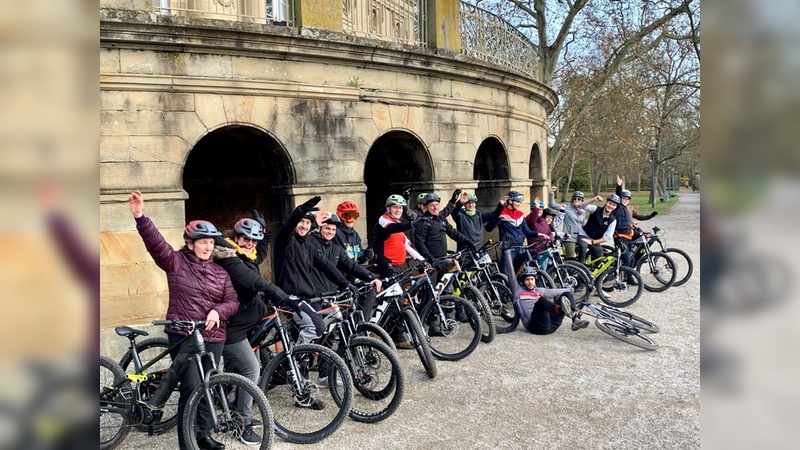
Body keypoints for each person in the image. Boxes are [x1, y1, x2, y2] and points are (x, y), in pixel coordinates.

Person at [128, 191, 238, 450]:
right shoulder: (175, 262)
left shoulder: (221, 272)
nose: (207, 246)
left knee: (208, 387)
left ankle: (204, 436)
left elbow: (232, 301)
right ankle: (188, 444)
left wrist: (217, 312)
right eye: (202, 242)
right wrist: (140, 217)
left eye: (210, 242)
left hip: (213, 337)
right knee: (191, 389)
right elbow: (156, 244)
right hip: (184, 335)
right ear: (190, 243)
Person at [211, 215, 295, 445]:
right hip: (231, 328)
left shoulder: (247, 253)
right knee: (251, 370)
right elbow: (252, 281)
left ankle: (233, 407)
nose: (250, 243)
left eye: (254, 240)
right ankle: (242, 424)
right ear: (236, 238)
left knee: (242, 369)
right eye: (246, 239)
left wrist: (265, 232)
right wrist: (281, 295)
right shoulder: (230, 259)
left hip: (244, 324)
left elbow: (261, 252)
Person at [272, 196, 359, 346]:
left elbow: (327, 265)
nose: (304, 226)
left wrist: (345, 283)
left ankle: (314, 361)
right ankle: (293, 359)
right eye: (301, 221)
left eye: (307, 222)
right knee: (315, 327)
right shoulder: (285, 241)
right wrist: (300, 211)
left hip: (308, 299)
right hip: (290, 298)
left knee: (324, 329)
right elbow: (287, 226)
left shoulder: (308, 245)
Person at [373, 194, 429, 348]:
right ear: (388, 208)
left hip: (397, 267)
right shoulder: (384, 220)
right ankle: (376, 330)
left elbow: (408, 246)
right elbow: (391, 228)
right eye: (395, 207)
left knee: (401, 301)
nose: (398, 210)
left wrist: (423, 260)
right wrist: (412, 224)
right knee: (394, 300)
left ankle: (398, 337)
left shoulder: (398, 224)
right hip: (387, 265)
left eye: (400, 208)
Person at [310, 212, 382, 318]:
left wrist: (371, 277)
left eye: (333, 230)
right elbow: (295, 236)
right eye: (327, 228)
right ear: (319, 228)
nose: (330, 232)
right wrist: (313, 224)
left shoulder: (336, 249)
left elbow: (351, 266)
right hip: (315, 296)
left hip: (333, 295)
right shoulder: (310, 242)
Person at [501, 249, 589, 333]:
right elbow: (511, 273)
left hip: (551, 324)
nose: (530, 282)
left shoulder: (539, 290)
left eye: (532, 279)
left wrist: (572, 289)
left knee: (567, 294)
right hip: (535, 326)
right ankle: (561, 310)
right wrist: (507, 251)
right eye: (527, 280)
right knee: (541, 301)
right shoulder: (517, 290)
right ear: (523, 282)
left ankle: (575, 319)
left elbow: (556, 291)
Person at [484, 191, 550, 275]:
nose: (519, 204)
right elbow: (488, 228)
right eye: (517, 202)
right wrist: (499, 219)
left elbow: (527, 231)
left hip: (521, 248)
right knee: (506, 275)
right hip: (508, 250)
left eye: (520, 202)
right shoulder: (501, 213)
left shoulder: (520, 214)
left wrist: (538, 234)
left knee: (525, 272)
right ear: (510, 201)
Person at [412, 192, 478, 264]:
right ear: (426, 207)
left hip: (443, 258)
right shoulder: (422, 222)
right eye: (432, 205)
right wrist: (432, 260)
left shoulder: (441, 218)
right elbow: (419, 243)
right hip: (430, 262)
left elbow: (453, 233)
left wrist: (468, 242)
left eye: (437, 204)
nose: (435, 208)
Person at [614, 176, 658, 267]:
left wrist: (650, 216)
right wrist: (619, 185)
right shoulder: (617, 207)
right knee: (627, 255)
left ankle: (637, 253)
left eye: (627, 199)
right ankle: (632, 259)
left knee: (646, 236)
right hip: (622, 233)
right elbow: (617, 195)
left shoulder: (630, 208)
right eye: (623, 198)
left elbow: (639, 216)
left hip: (630, 231)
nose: (625, 200)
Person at [559, 190, 603, 259]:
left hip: (579, 236)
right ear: (572, 199)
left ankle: (581, 267)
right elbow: (552, 204)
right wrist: (551, 193)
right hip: (569, 237)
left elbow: (583, 223)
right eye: (575, 198)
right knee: (570, 257)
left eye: (579, 199)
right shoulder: (567, 207)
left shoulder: (583, 211)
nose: (577, 200)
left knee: (582, 254)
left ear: (582, 200)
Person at [579, 194, 621, 264]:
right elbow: (581, 206)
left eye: (614, 205)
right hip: (584, 235)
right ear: (606, 202)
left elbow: (607, 237)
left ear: (616, 207)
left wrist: (592, 242)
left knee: (599, 259)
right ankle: (580, 269)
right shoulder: (596, 209)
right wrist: (594, 199)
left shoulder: (612, 220)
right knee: (583, 247)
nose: (611, 206)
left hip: (595, 240)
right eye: (610, 203)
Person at [332, 200, 374, 265]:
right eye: (347, 216)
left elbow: (357, 259)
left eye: (354, 216)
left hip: (352, 271)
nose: (351, 220)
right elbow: (343, 260)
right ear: (340, 217)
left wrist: (366, 255)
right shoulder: (335, 233)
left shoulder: (355, 234)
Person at [524, 200, 558, 271]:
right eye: (538, 209)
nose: (540, 211)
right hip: (536, 251)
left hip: (545, 249)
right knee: (541, 271)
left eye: (541, 209)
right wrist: (536, 210)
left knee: (544, 270)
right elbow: (532, 220)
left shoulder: (543, 220)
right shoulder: (529, 219)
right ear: (532, 210)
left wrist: (550, 239)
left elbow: (549, 232)